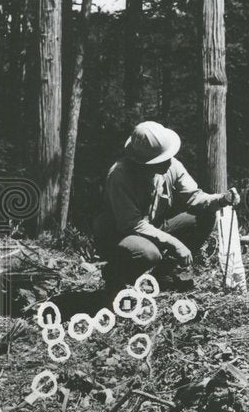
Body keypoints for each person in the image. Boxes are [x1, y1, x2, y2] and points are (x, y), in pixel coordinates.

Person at [95, 121, 240, 293]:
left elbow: (194, 197)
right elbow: (132, 224)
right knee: (149, 254)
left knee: (205, 216)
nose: (168, 162)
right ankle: (115, 275)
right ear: (144, 162)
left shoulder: (171, 165)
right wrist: (175, 244)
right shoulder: (119, 176)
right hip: (120, 235)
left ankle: (162, 275)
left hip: (152, 226)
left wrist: (222, 199)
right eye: (161, 159)